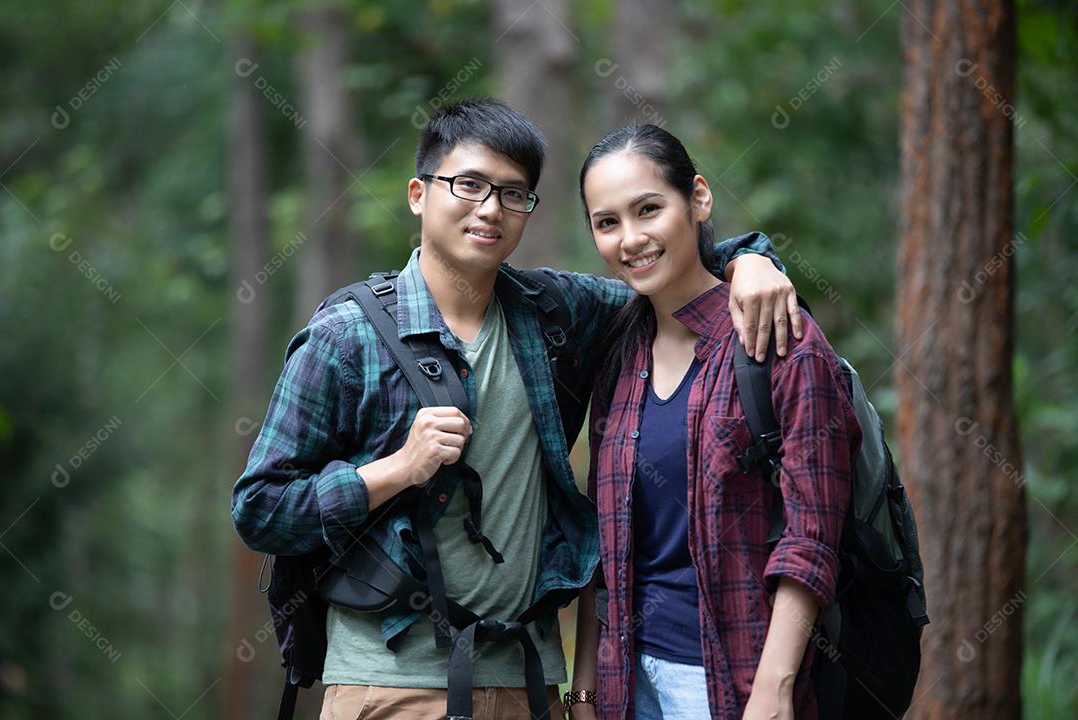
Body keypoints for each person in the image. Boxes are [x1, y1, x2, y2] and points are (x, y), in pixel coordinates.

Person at [231, 98, 799, 720]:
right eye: (468, 184)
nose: (489, 209)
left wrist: (751, 259)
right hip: (392, 683)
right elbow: (259, 508)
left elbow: (665, 263)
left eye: (512, 193)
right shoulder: (347, 336)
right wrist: (394, 470)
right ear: (419, 194)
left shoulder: (552, 312)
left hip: (529, 684)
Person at [570, 125, 861, 720]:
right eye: (607, 222)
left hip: (731, 684)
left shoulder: (781, 344)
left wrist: (774, 691)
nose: (631, 239)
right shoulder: (618, 357)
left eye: (648, 209)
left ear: (698, 199)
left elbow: (812, 537)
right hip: (624, 687)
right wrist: (584, 692)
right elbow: (604, 547)